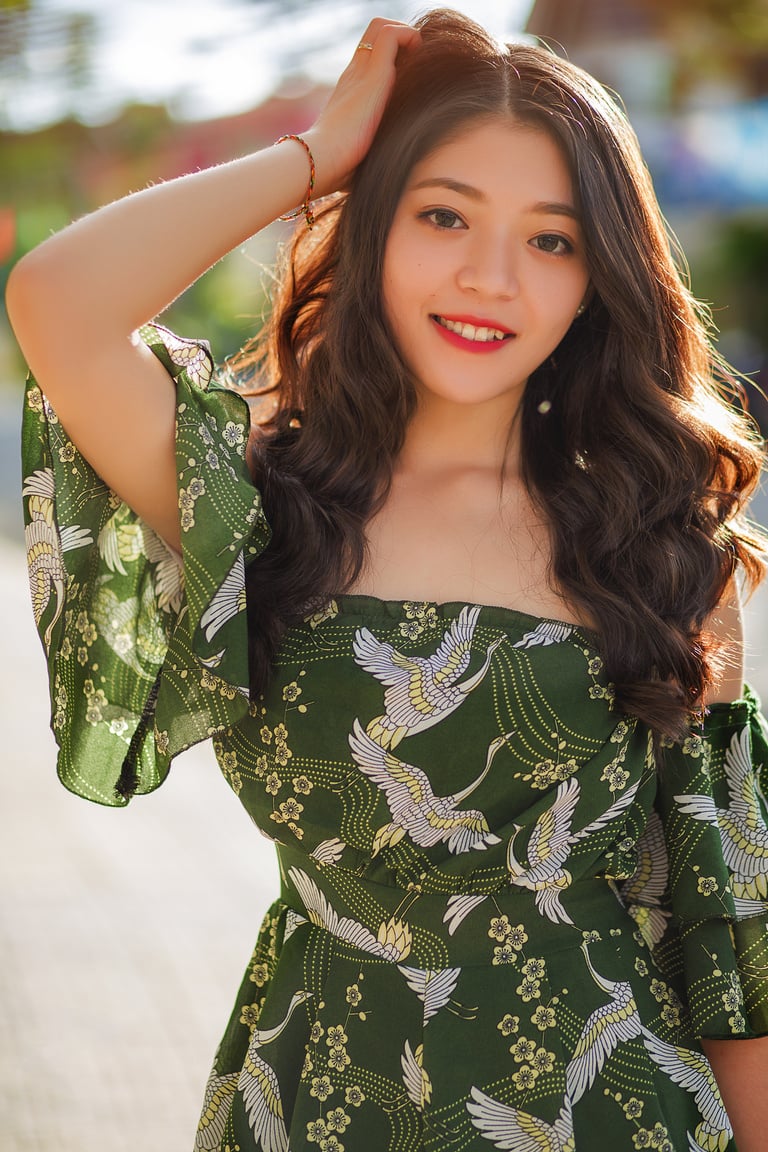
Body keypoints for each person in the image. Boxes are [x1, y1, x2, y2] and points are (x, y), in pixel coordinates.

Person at [7, 8, 768, 1150]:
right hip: (312, 1099)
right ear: (374, 226)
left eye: (551, 240)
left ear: (597, 281)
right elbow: (59, 304)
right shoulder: (259, 498)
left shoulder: (655, 540)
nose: (489, 276)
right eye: (443, 214)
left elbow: (728, 925)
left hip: (609, 1114)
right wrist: (319, 154)